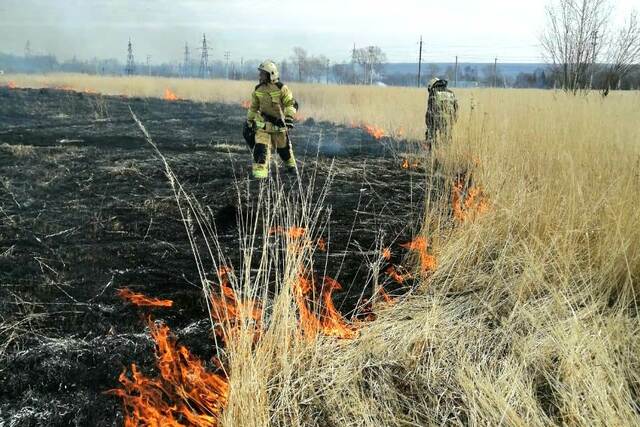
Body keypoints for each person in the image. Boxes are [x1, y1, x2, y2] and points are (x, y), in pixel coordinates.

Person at [245, 61, 297, 179]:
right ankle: (260, 178)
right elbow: (253, 108)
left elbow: (290, 103)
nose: (260, 76)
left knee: (284, 151)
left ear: (271, 74)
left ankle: (292, 168)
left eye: (262, 74)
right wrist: (249, 121)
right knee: (260, 149)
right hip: (263, 126)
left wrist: (289, 117)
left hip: (279, 127)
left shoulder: (282, 88)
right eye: (260, 74)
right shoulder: (258, 89)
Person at [425, 77, 458, 151]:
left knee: (430, 134)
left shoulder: (433, 92)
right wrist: (453, 120)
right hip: (449, 120)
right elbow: (456, 108)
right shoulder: (451, 93)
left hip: (436, 119)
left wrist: (428, 125)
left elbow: (430, 110)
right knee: (447, 138)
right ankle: (447, 153)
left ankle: (432, 151)